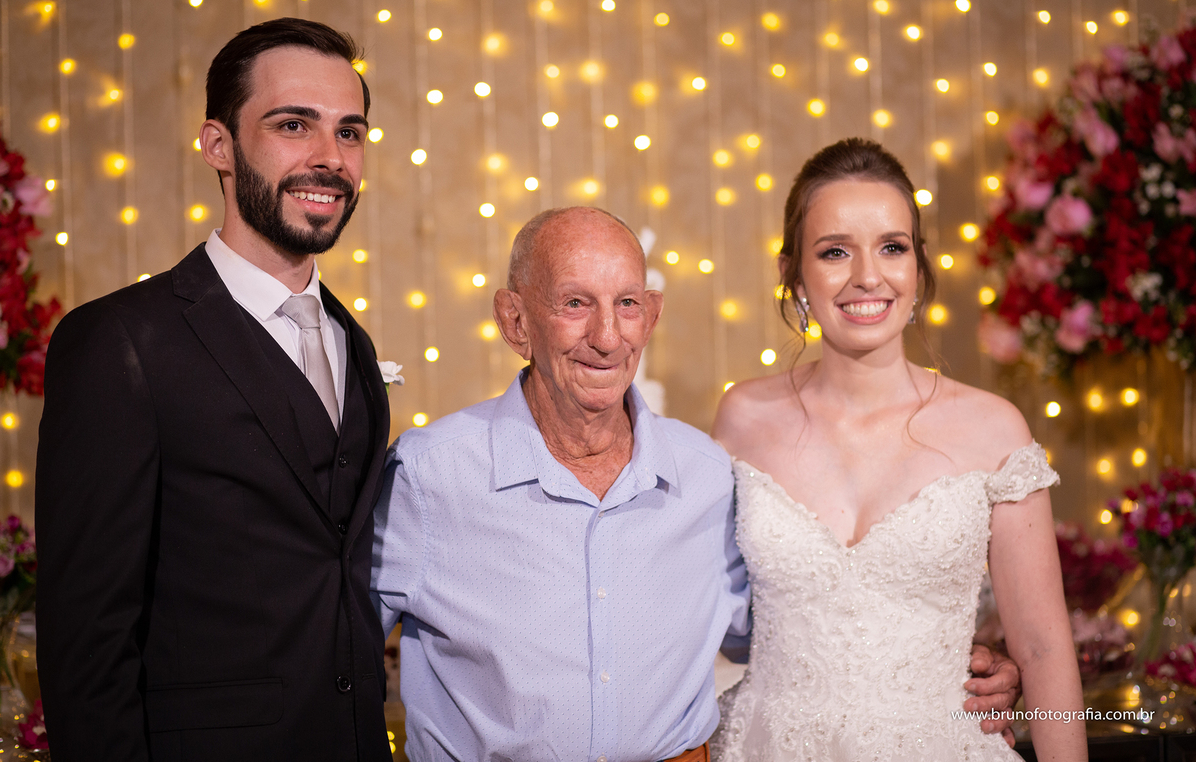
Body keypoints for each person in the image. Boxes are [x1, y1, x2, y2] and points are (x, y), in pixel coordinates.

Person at [371, 205, 1021, 762]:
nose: (606, 336)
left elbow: (795, 626)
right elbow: (334, 658)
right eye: (574, 303)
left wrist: (949, 663)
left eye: (627, 304)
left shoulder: (705, 474)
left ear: (651, 316)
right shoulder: (430, 476)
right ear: (515, 321)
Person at [36, 18, 394, 761]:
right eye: (293, 125)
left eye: (349, 132)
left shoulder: (352, 343)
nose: (330, 158)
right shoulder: (120, 341)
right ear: (218, 145)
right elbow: (86, 645)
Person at [709, 138, 1086, 761]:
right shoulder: (743, 418)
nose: (868, 276)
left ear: (918, 266)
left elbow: (1044, 650)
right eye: (835, 251)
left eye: (892, 247)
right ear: (793, 274)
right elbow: (700, 613)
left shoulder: (994, 430)